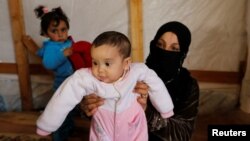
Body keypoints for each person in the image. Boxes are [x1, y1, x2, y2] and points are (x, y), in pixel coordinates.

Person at [36, 31, 174, 141]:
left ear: (126, 63)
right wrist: (47, 125)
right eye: (95, 62)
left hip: (132, 124)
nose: (100, 70)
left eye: (107, 63)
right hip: (103, 126)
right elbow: (64, 97)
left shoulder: (137, 71)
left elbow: (156, 83)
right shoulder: (87, 78)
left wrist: (165, 108)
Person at [81, 21, 200, 141]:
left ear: (183, 54)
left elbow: (182, 134)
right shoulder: (133, 74)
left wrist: (145, 111)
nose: (165, 52)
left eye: (174, 49)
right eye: (160, 45)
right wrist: (89, 107)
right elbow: (108, 117)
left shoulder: (188, 86)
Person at [33, 5, 92, 141]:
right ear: (46, 34)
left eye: (63, 29)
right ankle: (59, 136)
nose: (60, 34)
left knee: (70, 112)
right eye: (54, 31)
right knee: (61, 114)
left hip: (75, 85)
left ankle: (69, 129)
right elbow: (48, 63)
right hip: (62, 86)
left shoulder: (69, 42)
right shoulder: (51, 48)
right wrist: (64, 54)